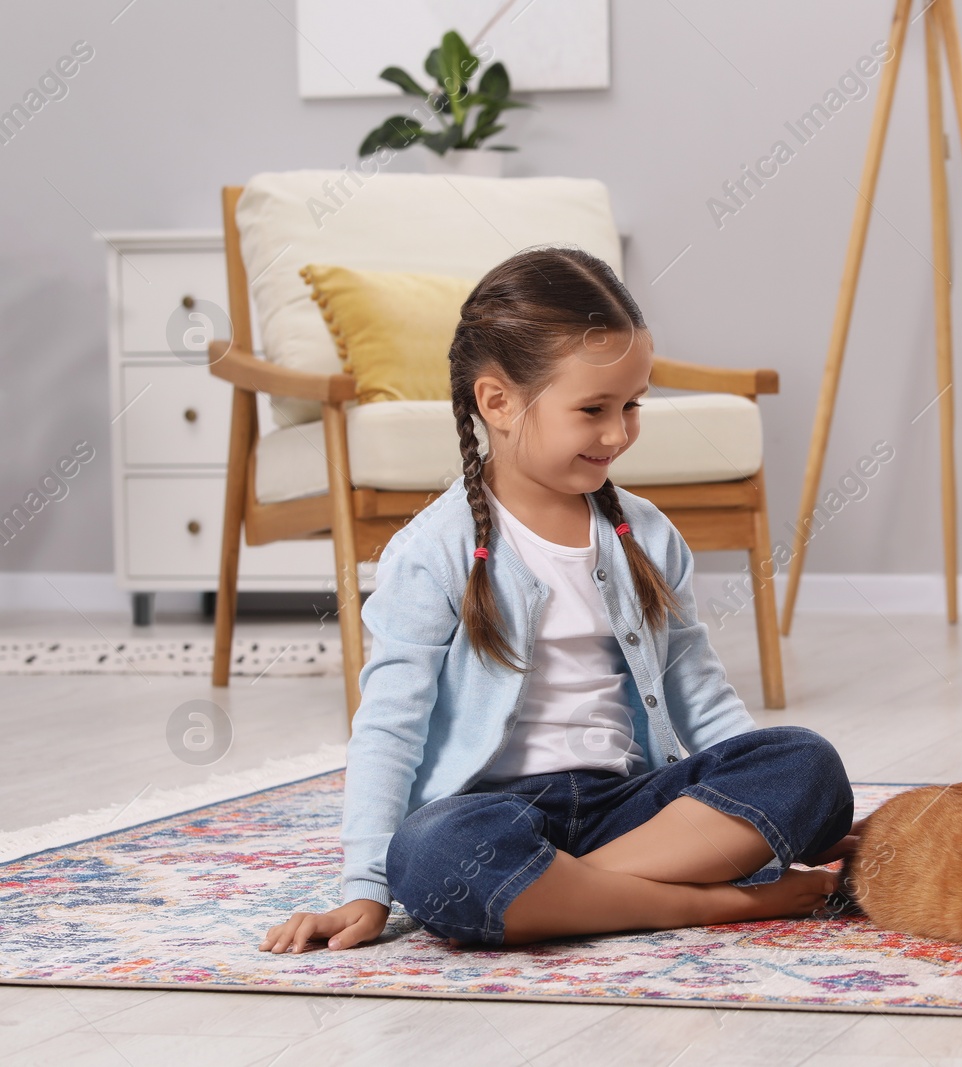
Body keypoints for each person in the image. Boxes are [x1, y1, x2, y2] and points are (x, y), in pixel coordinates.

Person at [261, 247, 857, 954]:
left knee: (807, 763)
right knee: (430, 856)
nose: (618, 432)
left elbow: (698, 690)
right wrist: (365, 886)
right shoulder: (432, 551)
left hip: (632, 811)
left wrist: (768, 801)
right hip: (492, 815)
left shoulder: (649, 536)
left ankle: (567, 893)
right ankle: (722, 900)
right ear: (498, 401)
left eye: (632, 405)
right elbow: (389, 726)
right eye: (593, 409)